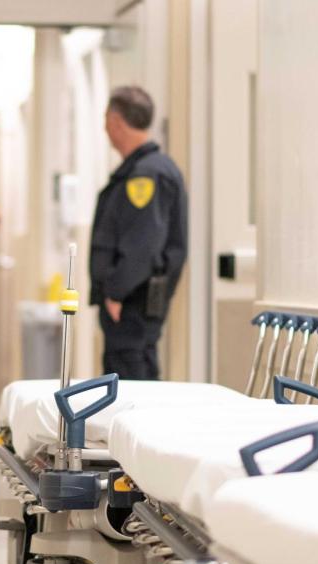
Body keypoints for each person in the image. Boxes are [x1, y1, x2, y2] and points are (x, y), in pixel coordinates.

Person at [89, 86, 188, 380]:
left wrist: (117, 291)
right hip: (134, 301)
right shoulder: (147, 169)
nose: (105, 128)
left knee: (131, 384)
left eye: (106, 119)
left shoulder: (146, 175)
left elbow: (142, 244)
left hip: (132, 302)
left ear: (117, 122)